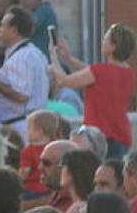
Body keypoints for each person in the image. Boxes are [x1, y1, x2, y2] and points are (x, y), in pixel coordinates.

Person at [52, 24, 136, 159]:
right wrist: (68, 58)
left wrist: (53, 57)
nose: (102, 42)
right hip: (122, 135)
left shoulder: (98, 72)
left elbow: (64, 80)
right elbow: (91, 72)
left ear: (113, 46)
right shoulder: (128, 72)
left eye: (105, 39)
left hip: (98, 137)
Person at [0, 6, 52, 134]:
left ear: (14, 31)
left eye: (2, 25)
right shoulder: (31, 52)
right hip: (23, 123)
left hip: (20, 126)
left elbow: (22, 96)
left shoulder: (23, 56)